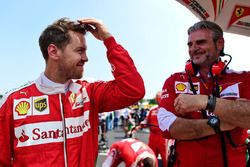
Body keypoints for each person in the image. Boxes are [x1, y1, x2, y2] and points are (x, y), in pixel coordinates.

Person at [0, 18, 145, 167]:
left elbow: (133, 90)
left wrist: (108, 40)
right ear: (53, 52)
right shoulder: (13, 102)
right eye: (80, 50)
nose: (86, 58)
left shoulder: (89, 92)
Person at [157, 20, 250, 167]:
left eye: (200, 42)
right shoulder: (174, 80)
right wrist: (220, 123)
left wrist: (205, 102)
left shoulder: (244, 78)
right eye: (190, 44)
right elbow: (168, 128)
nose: (193, 49)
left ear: (219, 44)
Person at [130, 91, 171, 167]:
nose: (158, 100)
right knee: (151, 157)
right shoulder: (152, 109)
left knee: (165, 158)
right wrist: (138, 126)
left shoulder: (168, 109)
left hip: (163, 137)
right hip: (152, 136)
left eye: (159, 98)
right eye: (157, 98)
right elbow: (146, 120)